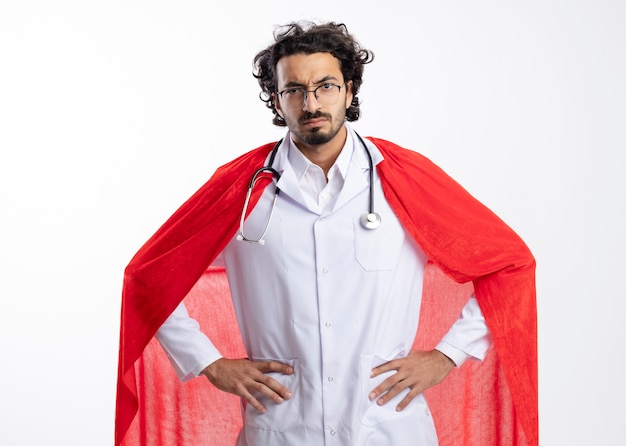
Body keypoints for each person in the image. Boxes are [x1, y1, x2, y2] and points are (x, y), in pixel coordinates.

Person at [115, 21, 537, 446]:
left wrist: (448, 354)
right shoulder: (241, 191)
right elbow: (149, 278)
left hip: (388, 427)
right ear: (277, 102)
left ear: (350, 91)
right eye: (293, 90)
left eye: (326, 86)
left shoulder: (402, 180)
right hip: (282, 428)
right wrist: (209, 362)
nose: (310, 102)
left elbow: (508, 264)